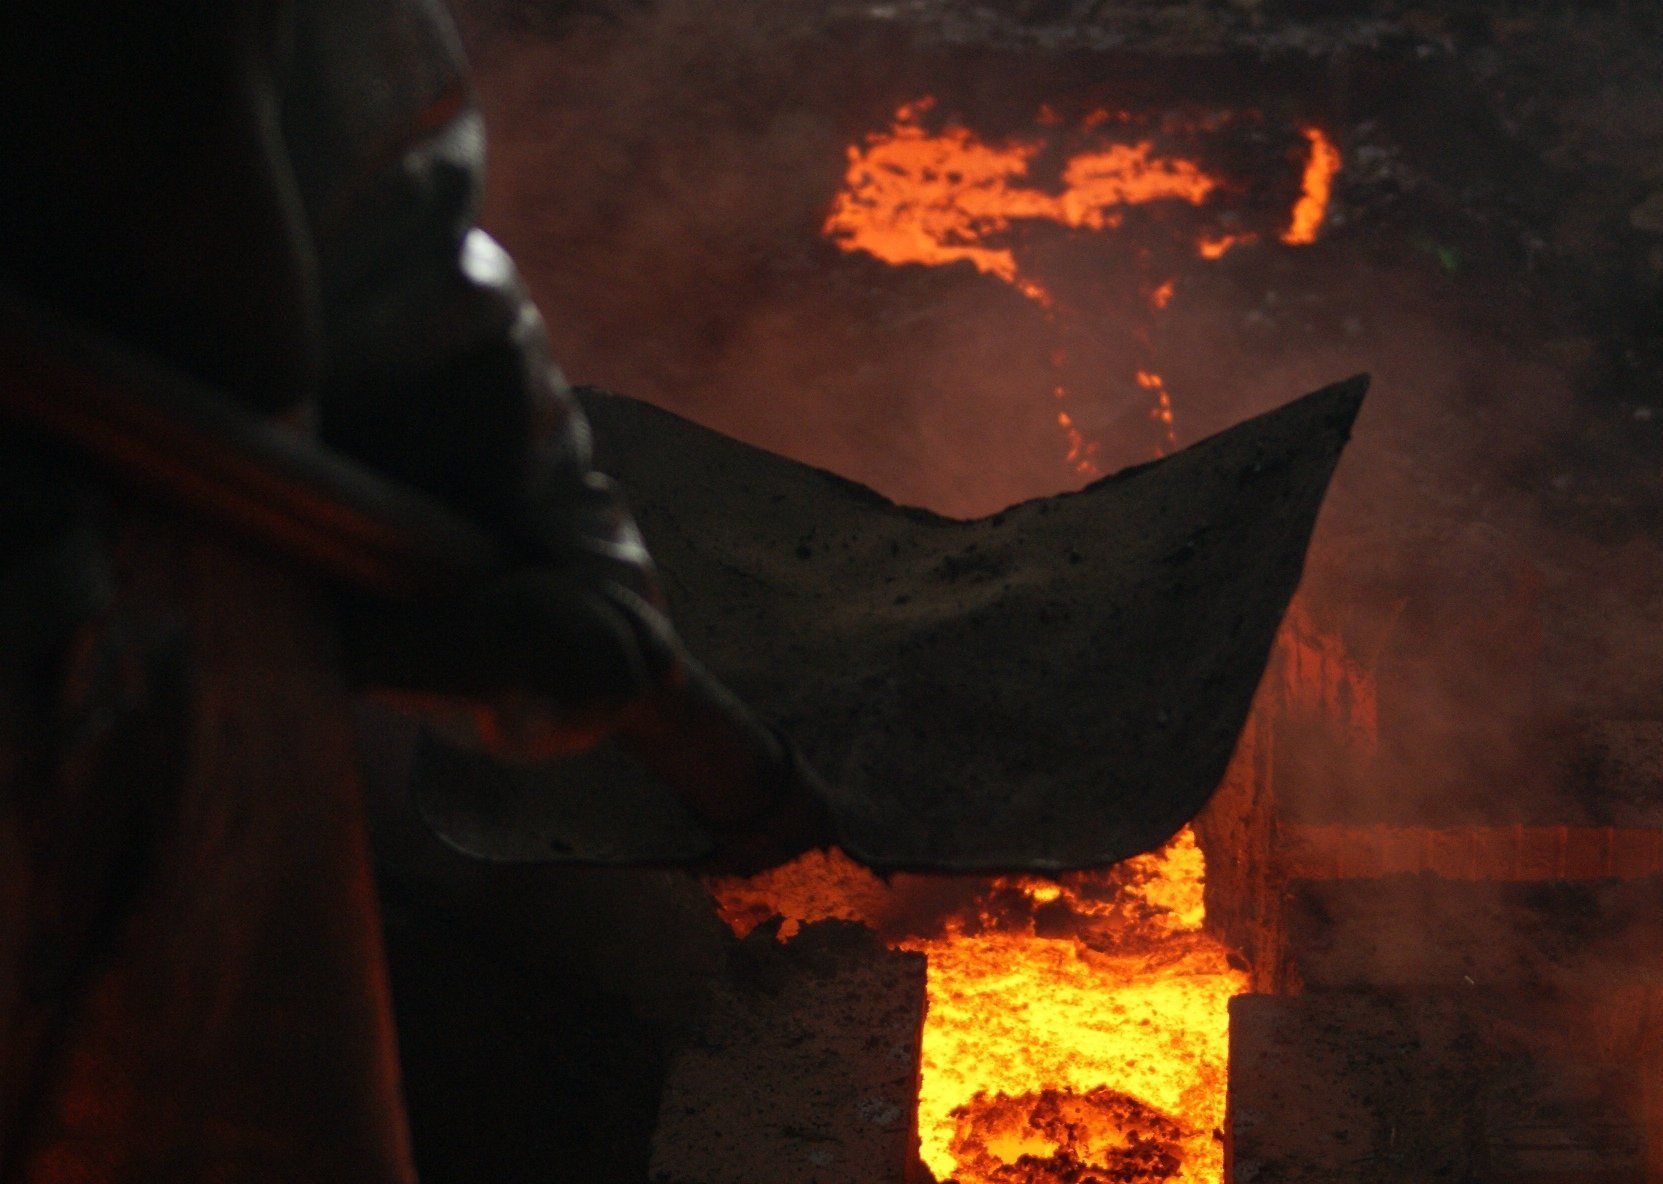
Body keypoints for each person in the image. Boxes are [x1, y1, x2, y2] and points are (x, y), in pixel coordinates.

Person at [0, 2, 777, 1178]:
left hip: (155, 599)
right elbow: (373, 190)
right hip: (146, 632)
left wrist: (542, 522)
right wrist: (546, 525)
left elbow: (367, 192)